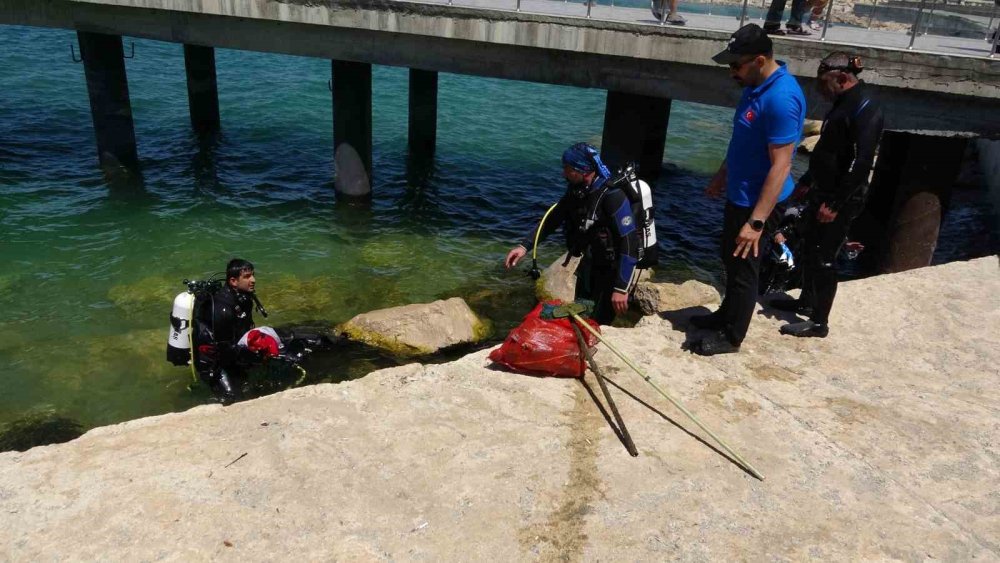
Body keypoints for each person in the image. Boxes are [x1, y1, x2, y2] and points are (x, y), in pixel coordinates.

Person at [690, 24, 806, 356]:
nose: (731, 72)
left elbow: (781, 165)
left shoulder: (782, 98)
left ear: (758, 60)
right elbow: (743, 138)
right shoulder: (754, 86)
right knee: (731, 257)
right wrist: (722, 174)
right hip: (739, 193)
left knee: (744, 270)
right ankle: (725, 315)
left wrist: (756, 223)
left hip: (759, 203)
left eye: (735, 65)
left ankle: (732, 336)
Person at [773, 52, 884, 338]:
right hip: (821, 190)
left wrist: (835, 204)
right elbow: (830, 149)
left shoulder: (865, 108)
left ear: (843, 78)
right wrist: (808, 180)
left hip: (841, 199)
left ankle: (819, 323)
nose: (819, 89)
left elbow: (860, 162)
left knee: (825, 257)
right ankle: (807, 302)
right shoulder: (840, 104)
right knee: (809, 247)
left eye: (824, 83)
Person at [505, 143, 643, 325]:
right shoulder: (577, 191)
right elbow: (552, 220)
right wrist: (524, 246)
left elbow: (629, 242)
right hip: (590, 263)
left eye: (568, 169)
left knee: (599, 322)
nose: (564, 174)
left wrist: (621, 288)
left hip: (613, 269)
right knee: (581, 313)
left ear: (583, 170)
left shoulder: (612, 195)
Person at [195, 258, 262, 404]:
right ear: (233, 281)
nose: (253, 280)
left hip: (232, 352)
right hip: (214, 363)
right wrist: (253, 354)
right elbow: (224, 351)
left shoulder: (244, 299)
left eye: (253, 275)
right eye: (247, 277)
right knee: (234, 399)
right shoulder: (223, 309)